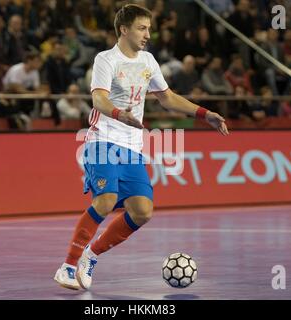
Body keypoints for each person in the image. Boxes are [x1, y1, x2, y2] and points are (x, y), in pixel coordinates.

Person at [54, 4, 228, 291]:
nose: (148, 34)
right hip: (103, 139)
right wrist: (119, 114)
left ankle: (91, 255)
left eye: (149, 28)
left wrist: (204, 113)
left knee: (142, 211)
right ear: (124, 29)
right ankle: (68, 266)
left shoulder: (148, 61)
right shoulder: (105, 59)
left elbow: (168, 98)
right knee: (107, 199)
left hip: (132, 146)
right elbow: (99, 99)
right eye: (142, 28)